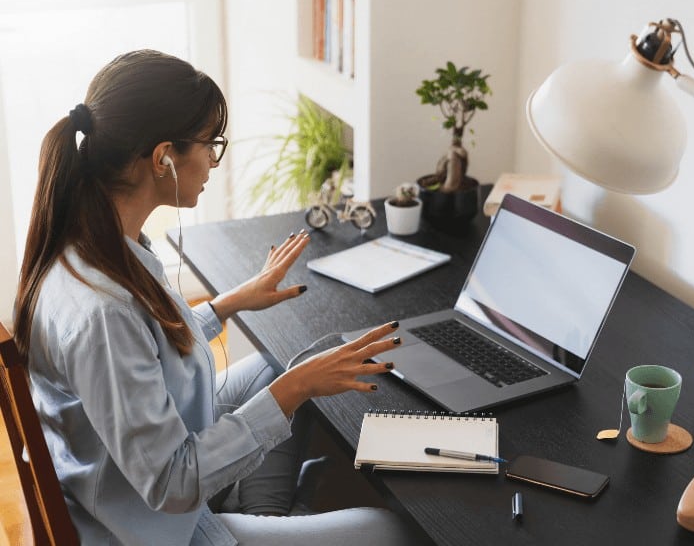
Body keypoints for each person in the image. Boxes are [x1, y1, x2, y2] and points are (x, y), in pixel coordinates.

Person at [13, 50, 416, 545]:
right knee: (390, 530)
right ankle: (266, 518)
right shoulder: (104, 312)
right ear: (164, 158)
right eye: (210, 145)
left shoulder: (91, 243)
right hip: (149, 526)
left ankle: (268, 514)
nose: (212, 162)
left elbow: (145, 345)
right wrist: (296, 390)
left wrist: (229, 304)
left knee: (283, 362)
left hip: (131, 482)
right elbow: (172, 483)